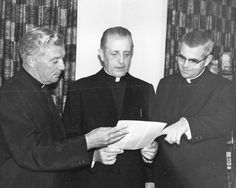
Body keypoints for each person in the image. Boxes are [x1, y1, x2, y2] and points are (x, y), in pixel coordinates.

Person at [0, 27, 128, 188]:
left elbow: (56, 144)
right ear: (32, 60)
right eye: (55, 61)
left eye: (62, 59)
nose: (62, 67)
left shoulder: (40, 88)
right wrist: (88, 141)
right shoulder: (11, 95)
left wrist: (92, 155)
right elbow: (32, 154)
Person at [63, 26, 158, 188]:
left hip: (132, 181)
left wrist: (150, 154)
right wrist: (93, 155)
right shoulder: (80, 89)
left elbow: (153, 137)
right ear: (101, 54)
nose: (122, 61)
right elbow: (67, 142)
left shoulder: (145, 89)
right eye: (114, 54)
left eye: (127, 54)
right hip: (92, 181)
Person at [152, 30, 236, 188]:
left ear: (207, 60)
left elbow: (226, 121)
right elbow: (157, 125)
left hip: (204, 180)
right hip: (167, 179)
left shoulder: (224, 87)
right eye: (181, 57)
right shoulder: (165, 84)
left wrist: (187, 124)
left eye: (193, 61)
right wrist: (150, 147)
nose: (185, 65)